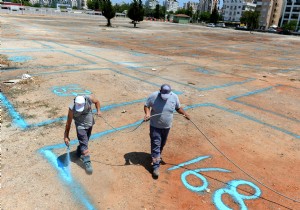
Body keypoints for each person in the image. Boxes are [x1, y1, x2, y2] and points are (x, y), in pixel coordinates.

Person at [144, 84, 190, 178]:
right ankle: (156, 166)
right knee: (156, 144)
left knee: (162, 144)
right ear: (159, 91)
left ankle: (156, 156)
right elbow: (146, 105)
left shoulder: (174, 97)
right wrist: (148, 113)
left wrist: (185, 114)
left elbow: (178, 108)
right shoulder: (154, 96)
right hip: (155, 126)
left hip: (166, 127)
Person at [64, 95, 101, 174]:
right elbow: (68, 123)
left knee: (86, 140)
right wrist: (66, 136)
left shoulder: (89, 98)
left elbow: (97, 102)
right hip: (80, 126)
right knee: (84, 143)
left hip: (89, 123)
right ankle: (87, 162)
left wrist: (98, 111)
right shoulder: (72, 108)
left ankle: (79, 150)